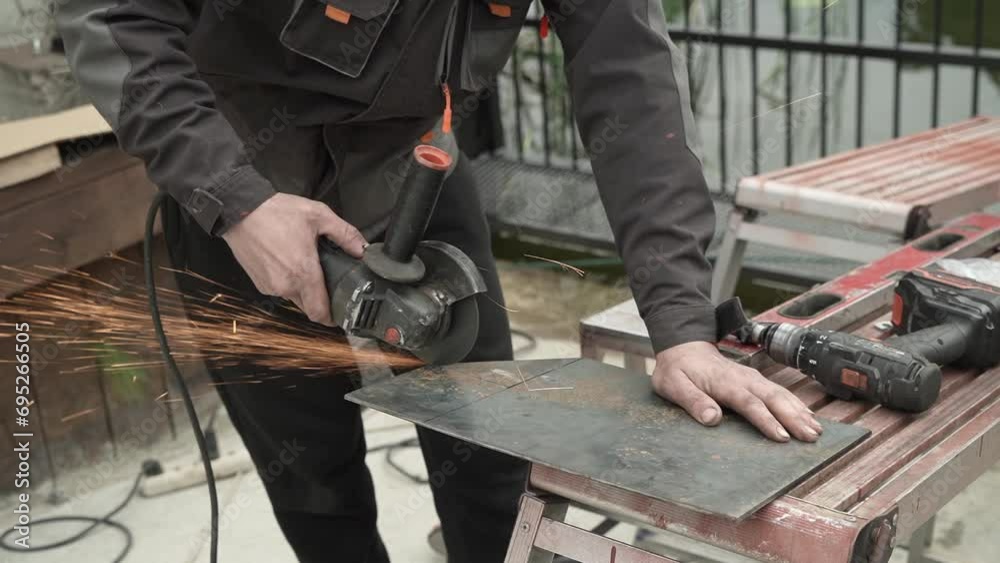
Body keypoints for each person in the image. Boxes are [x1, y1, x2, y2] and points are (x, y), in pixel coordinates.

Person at [56, 1, 823, 561]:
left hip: (415, 163)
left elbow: (630, 78)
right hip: (240, 170)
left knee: (491, 462)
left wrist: (682, 328)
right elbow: (108, 12)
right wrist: (232, 198)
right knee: (312, 480)